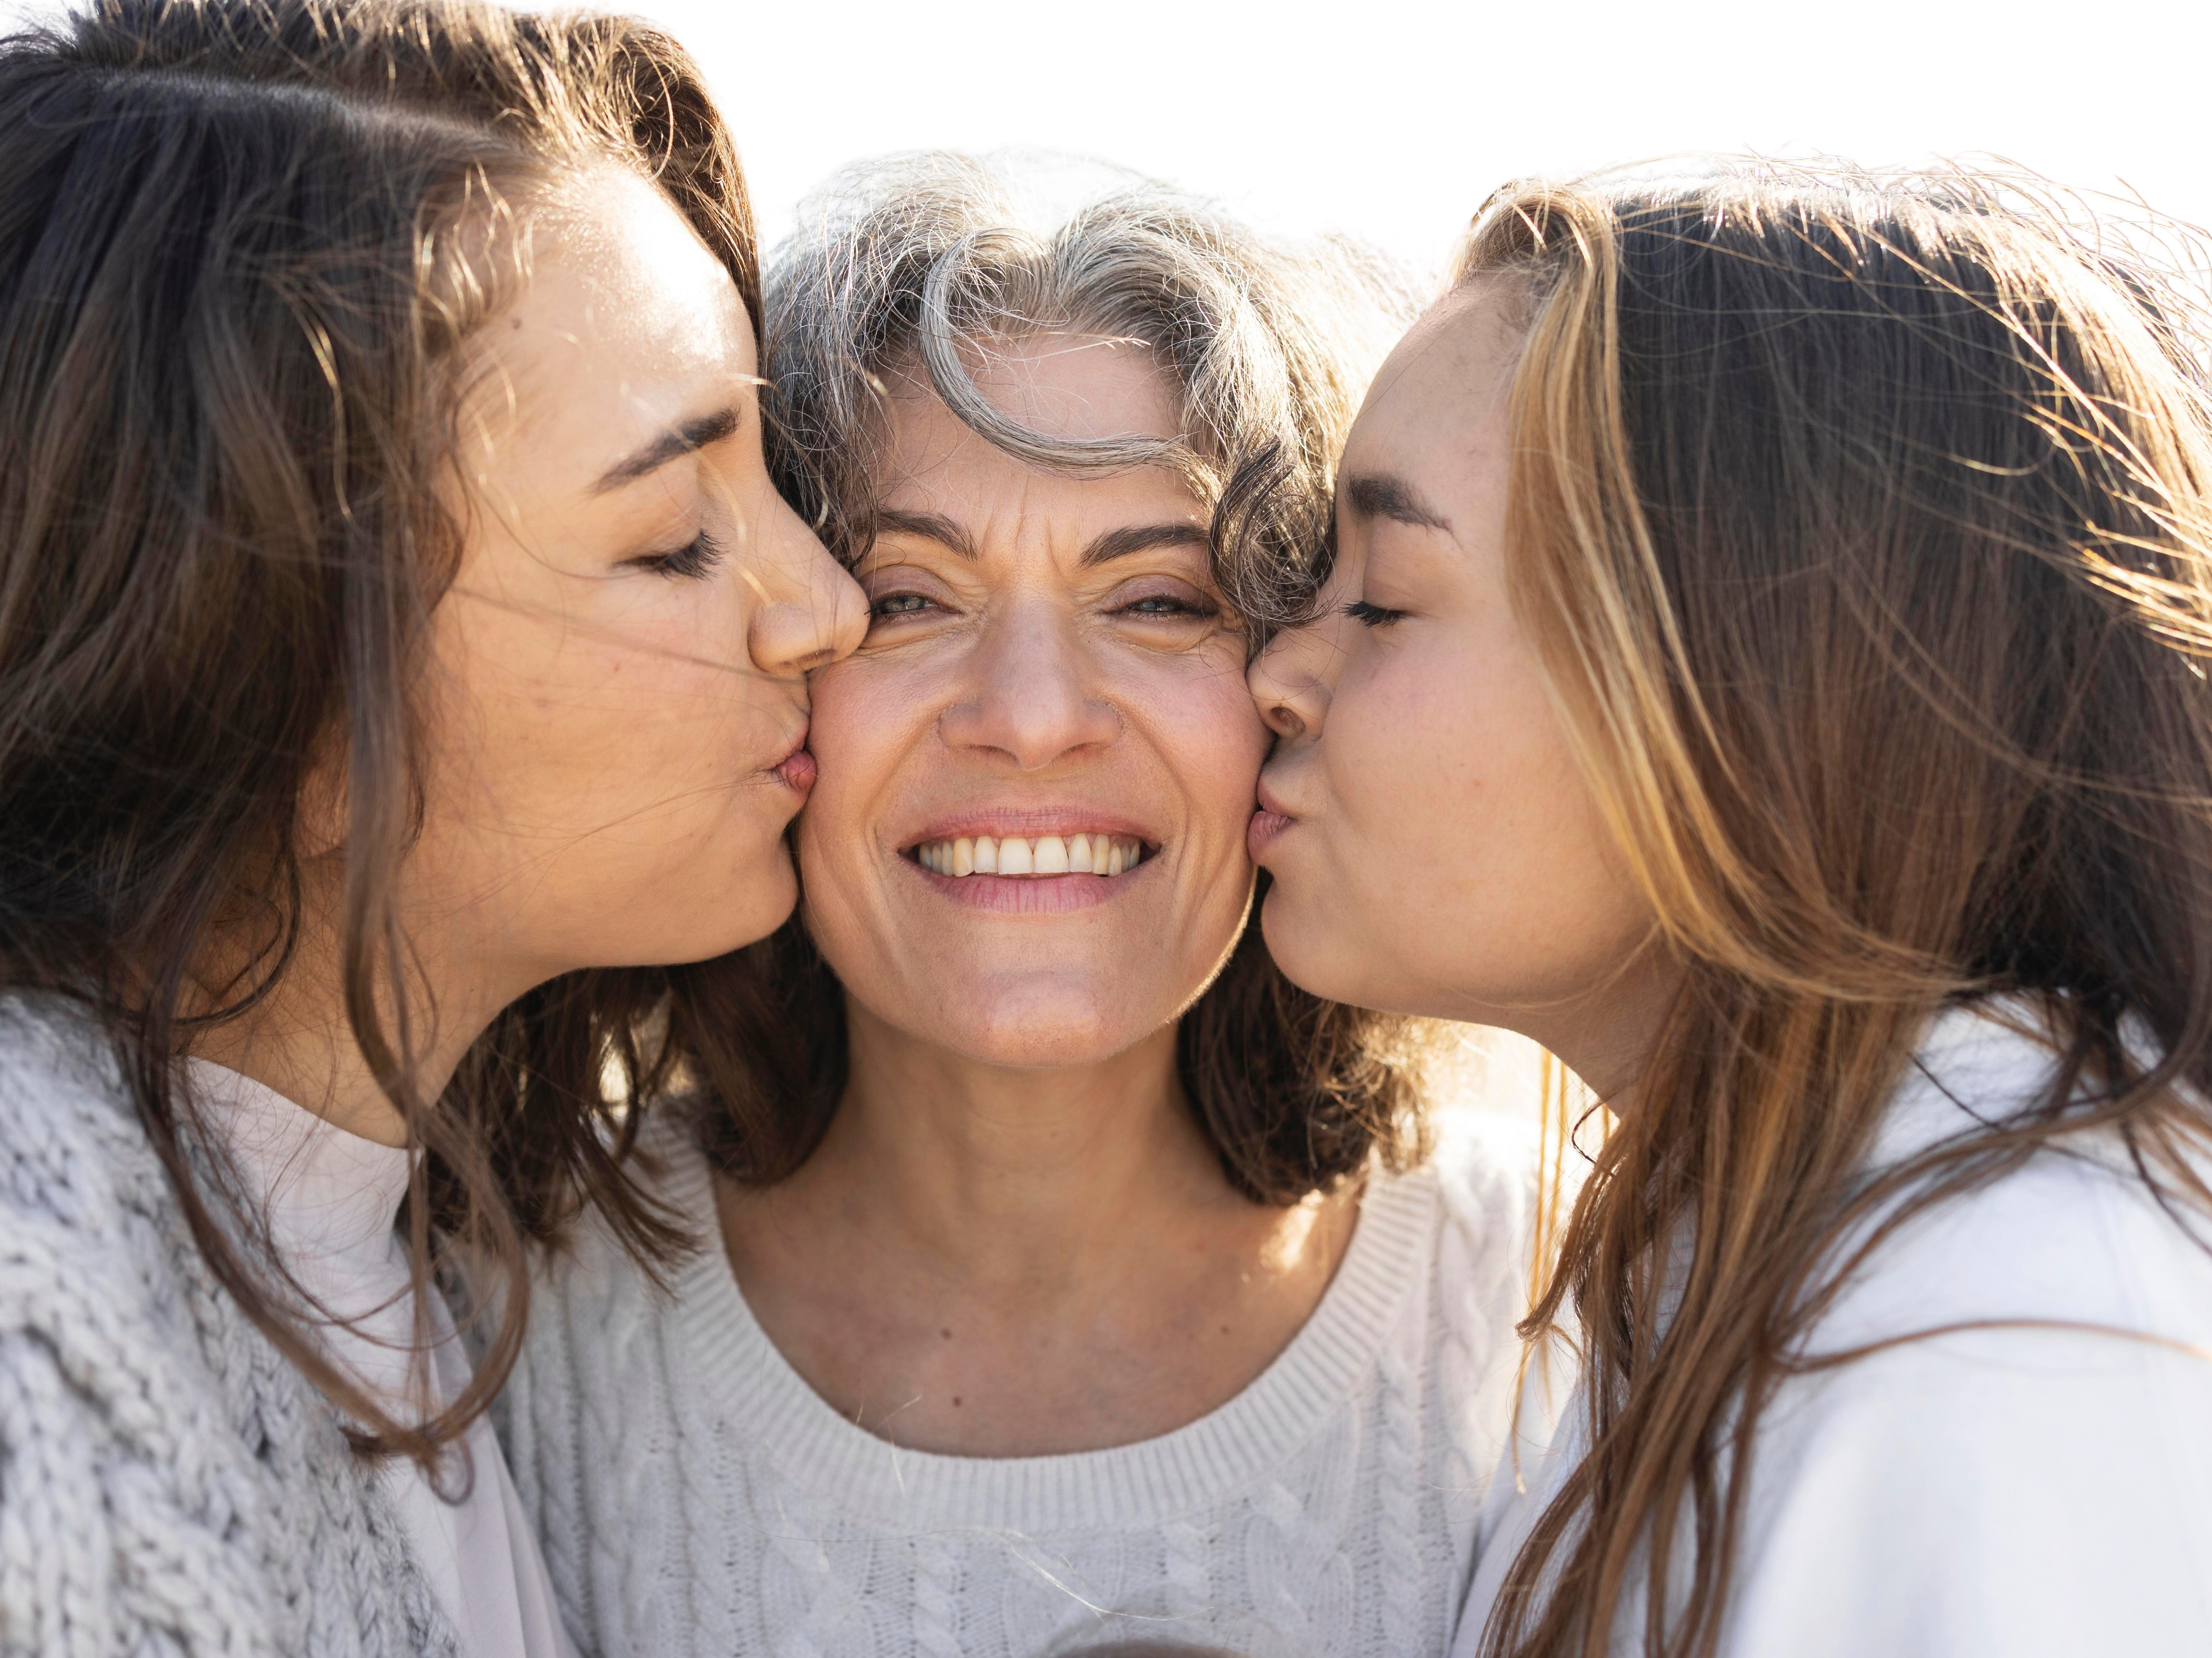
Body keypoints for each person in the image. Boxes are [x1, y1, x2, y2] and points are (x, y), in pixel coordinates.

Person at [0, 2, 863, 1653]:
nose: (828, 606)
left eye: (772, 478)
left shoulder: (410, 1245)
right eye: (672, 541)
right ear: (280, 698)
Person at [499, 153, 1550, 1658]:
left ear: (1297, 688)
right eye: (912, 599)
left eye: (1161, 600)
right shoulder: (495, 1321)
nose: (1034, 716)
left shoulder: (1554, 1320)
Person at [1248, 162, 2212, 1658]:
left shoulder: (2028, 1344)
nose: (1280, 670)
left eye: (1382, 596)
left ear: (1741, 685)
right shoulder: (1769, 1278)